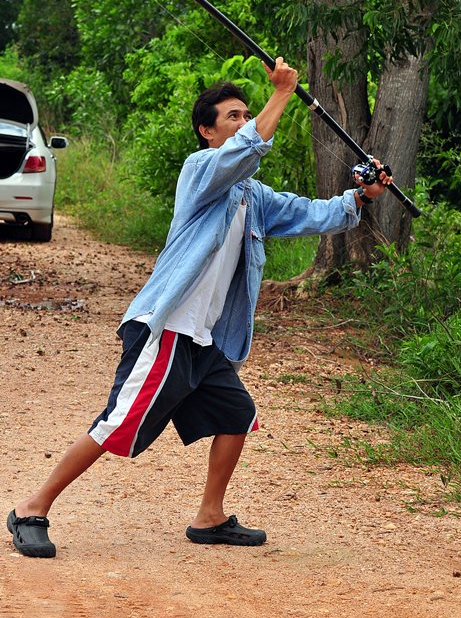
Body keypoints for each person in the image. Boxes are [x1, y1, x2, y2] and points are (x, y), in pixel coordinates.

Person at [7, 58, 392, 558]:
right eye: (232, 116)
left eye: (245, 112)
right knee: (118, 422)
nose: (242, 121)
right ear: (207, 131)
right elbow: (244, 152)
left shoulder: (252, 196)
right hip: (166, 329)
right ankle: (31, 508)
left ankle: (209, 517)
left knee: (237, 413)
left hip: (203, 339)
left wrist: (360, 197)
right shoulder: (201, 171)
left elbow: (310, 213)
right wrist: (281, 95)